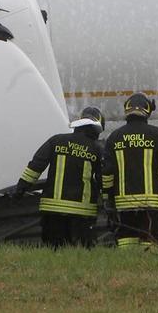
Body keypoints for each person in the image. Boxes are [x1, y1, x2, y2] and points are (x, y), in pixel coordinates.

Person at [17, 106, 105, 249]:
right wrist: (108, 199)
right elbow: (103, 178)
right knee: (82, 252)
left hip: (52, 210)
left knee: (54, 250)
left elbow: (36, 166)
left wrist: (21, 188)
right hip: (82, 212)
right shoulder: (97, 149)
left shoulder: (56, 141)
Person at [101, 92, 158, 247]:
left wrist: (107, 196)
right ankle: (148, 266)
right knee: (150, 237)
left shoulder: (114, 137)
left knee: (126, 237)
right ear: (147, 110)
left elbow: (107, 172)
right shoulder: (157, 135)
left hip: (123, 200)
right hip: (151, 200)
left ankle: (127, 265)